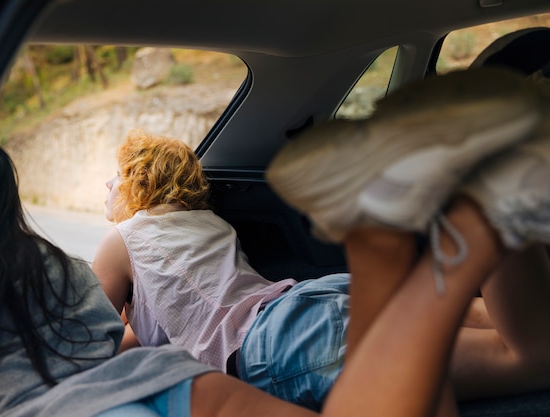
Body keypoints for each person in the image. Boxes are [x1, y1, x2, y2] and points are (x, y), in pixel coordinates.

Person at [93, 66, 550, 414]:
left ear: (140, 182)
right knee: (522, 323)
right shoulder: (205, 223)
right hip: (307, 302)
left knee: (526, 359)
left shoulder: (124, 238)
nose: (107, 188)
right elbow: (162, 326)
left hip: (282, 343)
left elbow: (83, 345)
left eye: (115, 179)